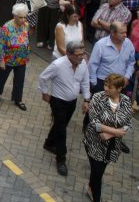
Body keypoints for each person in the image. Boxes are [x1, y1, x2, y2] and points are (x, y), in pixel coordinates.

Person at [39, 40, 90, 177]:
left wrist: (86, 99)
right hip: (58, 102)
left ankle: (49, 143)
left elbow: (85, 82)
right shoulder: (58, 65)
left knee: (60, 124)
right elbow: (43, 77)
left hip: (72, 103)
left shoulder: (83, 64)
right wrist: (45, 93)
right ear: (68, 54)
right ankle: (61, 158)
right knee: (62, 130)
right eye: (78, 55)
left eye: (82, 54)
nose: (81, 57)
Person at [83, 73, 132, 202]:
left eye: (110, 87)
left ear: (119, 89)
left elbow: (127, 124)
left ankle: (89, 187)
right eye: (105, 85)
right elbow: (94, 123)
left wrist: (111, 133)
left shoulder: (126, 101)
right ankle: (96, 198)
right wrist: (117, 132)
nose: (105, 89)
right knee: (97, 173)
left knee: (98, 171)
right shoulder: (98, 98)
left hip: (112, 146)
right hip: (94, 143)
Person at [0, 3, 30, 111]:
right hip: (8, 58)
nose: (23, 20)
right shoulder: (6, 27)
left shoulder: (25, 25)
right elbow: (1, 45)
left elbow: (26, 39)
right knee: (1, 77)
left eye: (24, 17)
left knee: (20, 80)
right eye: (20, 17)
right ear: (14, 16)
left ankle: (18, 99)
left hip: (21, 58)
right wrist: (1, 60)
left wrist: (27, 54)